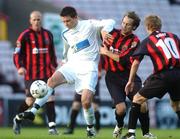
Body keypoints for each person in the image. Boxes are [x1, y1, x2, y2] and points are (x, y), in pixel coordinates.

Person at [14, 6, 115, 138]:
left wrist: (104, 31)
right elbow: (67, 48)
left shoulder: (89, 25)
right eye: (63, 22)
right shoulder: (65, 33)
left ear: (75, 17)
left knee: (85, 101)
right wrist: (64, 59)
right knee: (51, 81)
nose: (66, 24)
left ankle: (90, 128)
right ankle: (33, 111)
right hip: (72, 65)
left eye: (68, 21)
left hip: (89, 67)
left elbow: (111, 21)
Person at [122, 15, 180, 139]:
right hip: (178, 74)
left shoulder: (149, 40)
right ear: (160, 25)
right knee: (176, 105)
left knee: (137, 98)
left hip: (163, 75)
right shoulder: (173, 36)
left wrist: (130, 81)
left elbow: (136, 62)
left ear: (147, 26)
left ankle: (131, 134)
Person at [100, 11, 156, 138]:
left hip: (129, 76)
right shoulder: (112, 33)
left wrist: (106, 52)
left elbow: (123, 59)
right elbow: (101, 23)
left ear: (134, 27)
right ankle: (120, 125)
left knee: (142, 104)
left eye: (128, 24)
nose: (124, 26)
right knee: (121, 109)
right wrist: (103, 31)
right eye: (123, 23)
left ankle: (146, 133)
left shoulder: (135, 41)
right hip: (112, 77)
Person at [12, 11, 58, 135]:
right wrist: (20, 67)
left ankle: (52, 127)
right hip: (31, 74)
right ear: (30, 21)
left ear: (41, 20)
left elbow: (52, 53)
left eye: (38, 19)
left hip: (47, 73)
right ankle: (17, 119)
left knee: (50, 98)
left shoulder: (48, 34)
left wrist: (55, 67)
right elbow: (17, 53)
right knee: (30, 101)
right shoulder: (25, 35)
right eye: (34, 19)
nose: (37, 21)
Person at [63, 59, 103, 134]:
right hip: (82, 81)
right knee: (76, 105)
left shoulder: (100, 53)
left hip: (93, 82)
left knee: (95, 107)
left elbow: (106, 67)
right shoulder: (83, 53)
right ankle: (70, 128)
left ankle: (97, 128)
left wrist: (100, 73)